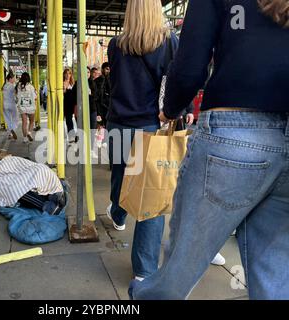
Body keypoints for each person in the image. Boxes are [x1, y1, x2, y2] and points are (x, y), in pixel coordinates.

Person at [131, 0, 289, 300]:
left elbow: (190, 67)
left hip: (233, 133)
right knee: (278, 276)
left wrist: (171, 109)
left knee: (179, 269)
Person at [106, 0, 179, 282]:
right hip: (148, 125)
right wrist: (171, 112)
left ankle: (118, 214)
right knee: (150, 196)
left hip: (117, 123)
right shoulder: (169, 42)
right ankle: (143, 270)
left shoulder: (115, 45)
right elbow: (177, 79)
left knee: (120, 179)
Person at [16, 72, 37, 143]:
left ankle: (25, 138)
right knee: (31, 121)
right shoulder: (31, 87)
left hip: (22, 107)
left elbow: (16, 96)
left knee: (24, 122)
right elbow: (35, 97)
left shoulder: (18, 86)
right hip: (30, 107)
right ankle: (29, 133)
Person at [94, 62, 111, 128]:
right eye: (107, 69)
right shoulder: (97, 81)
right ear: (102, 69)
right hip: (99, 107)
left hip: (108, 107)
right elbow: (96, 96)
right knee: (99, 127)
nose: (108, 71)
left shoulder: (112, 81)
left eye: (109, 69)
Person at [2, 72, 18, 140]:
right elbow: (15, 95)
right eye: (14, 78)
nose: (14, 79)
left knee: (8, 119)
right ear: (10, 78)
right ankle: (13, 129)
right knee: (15, 118)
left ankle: (10, 132)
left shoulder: (4, 86)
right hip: (12, 104)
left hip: (5, 105)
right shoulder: (12, 86)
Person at [63, 68, 78, 143]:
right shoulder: (62, 83)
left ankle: (77, 135)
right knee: (69, 120)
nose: (67, 75)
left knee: (76, 119)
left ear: (71, 74)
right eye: (66, 73)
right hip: (66, 103)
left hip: (74, 103)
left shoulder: (74, 83)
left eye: (69, 73)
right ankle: (71, 136)